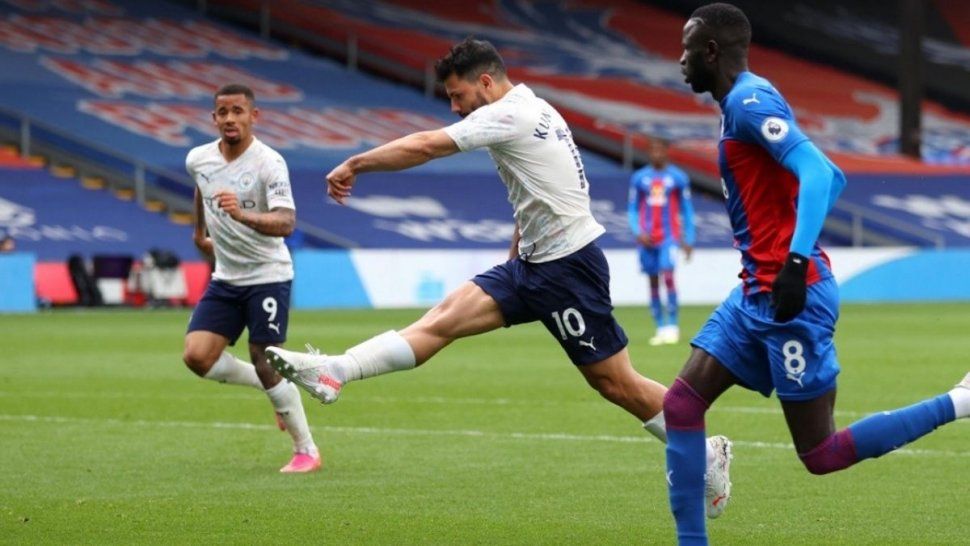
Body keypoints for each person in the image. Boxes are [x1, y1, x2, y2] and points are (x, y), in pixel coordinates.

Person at [266, 38, 734, 516]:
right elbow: (540, 185)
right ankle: (336, 371)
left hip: (569, 268)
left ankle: (706, 450)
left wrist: (355, 162)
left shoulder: (511, 113)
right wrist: (518, 247)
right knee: (442, 320)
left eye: (456, 95)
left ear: (485, 82)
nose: (454, 106)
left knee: (616, 384)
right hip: (532, 265)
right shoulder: (536, 109)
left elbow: (428, 145)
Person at [664, 4, 970, 544]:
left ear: (710, 50)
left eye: (686, 47)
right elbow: (831, 176)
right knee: (682, 403)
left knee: (821, 455)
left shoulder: (747, 100)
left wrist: (796, 259)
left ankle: (961, 401)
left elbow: (813, 170)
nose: (679, 58)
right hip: (754, 293)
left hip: (792, 297)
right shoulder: (740, 103)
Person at [182, 83, 320, 473]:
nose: (230, 119)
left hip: (268, 275)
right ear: (214, 118)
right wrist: (198, 232)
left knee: (264, 356)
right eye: (222, 112)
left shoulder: (269, 163)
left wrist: (242, 216)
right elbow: (201, 186)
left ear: (253, 116)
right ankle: (271, 384)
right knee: (197, 356)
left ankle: (306, 449)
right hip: (226, 277)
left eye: (238, 111)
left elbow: (286, 222)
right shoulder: (199, 159)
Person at [627, 139, 695, 345]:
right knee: (652, 280)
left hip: (669, 237)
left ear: (667, 151)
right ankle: (660, 327)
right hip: (647, 239)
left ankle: (673, 325)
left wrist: (689, 238)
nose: (656, 153)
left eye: (660, 149)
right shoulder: (640, 178)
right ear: (649, 152)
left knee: (668, 274)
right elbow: (632, 208)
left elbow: (687, 210)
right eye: (652, 149)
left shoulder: (678, 178)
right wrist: (638, 232)